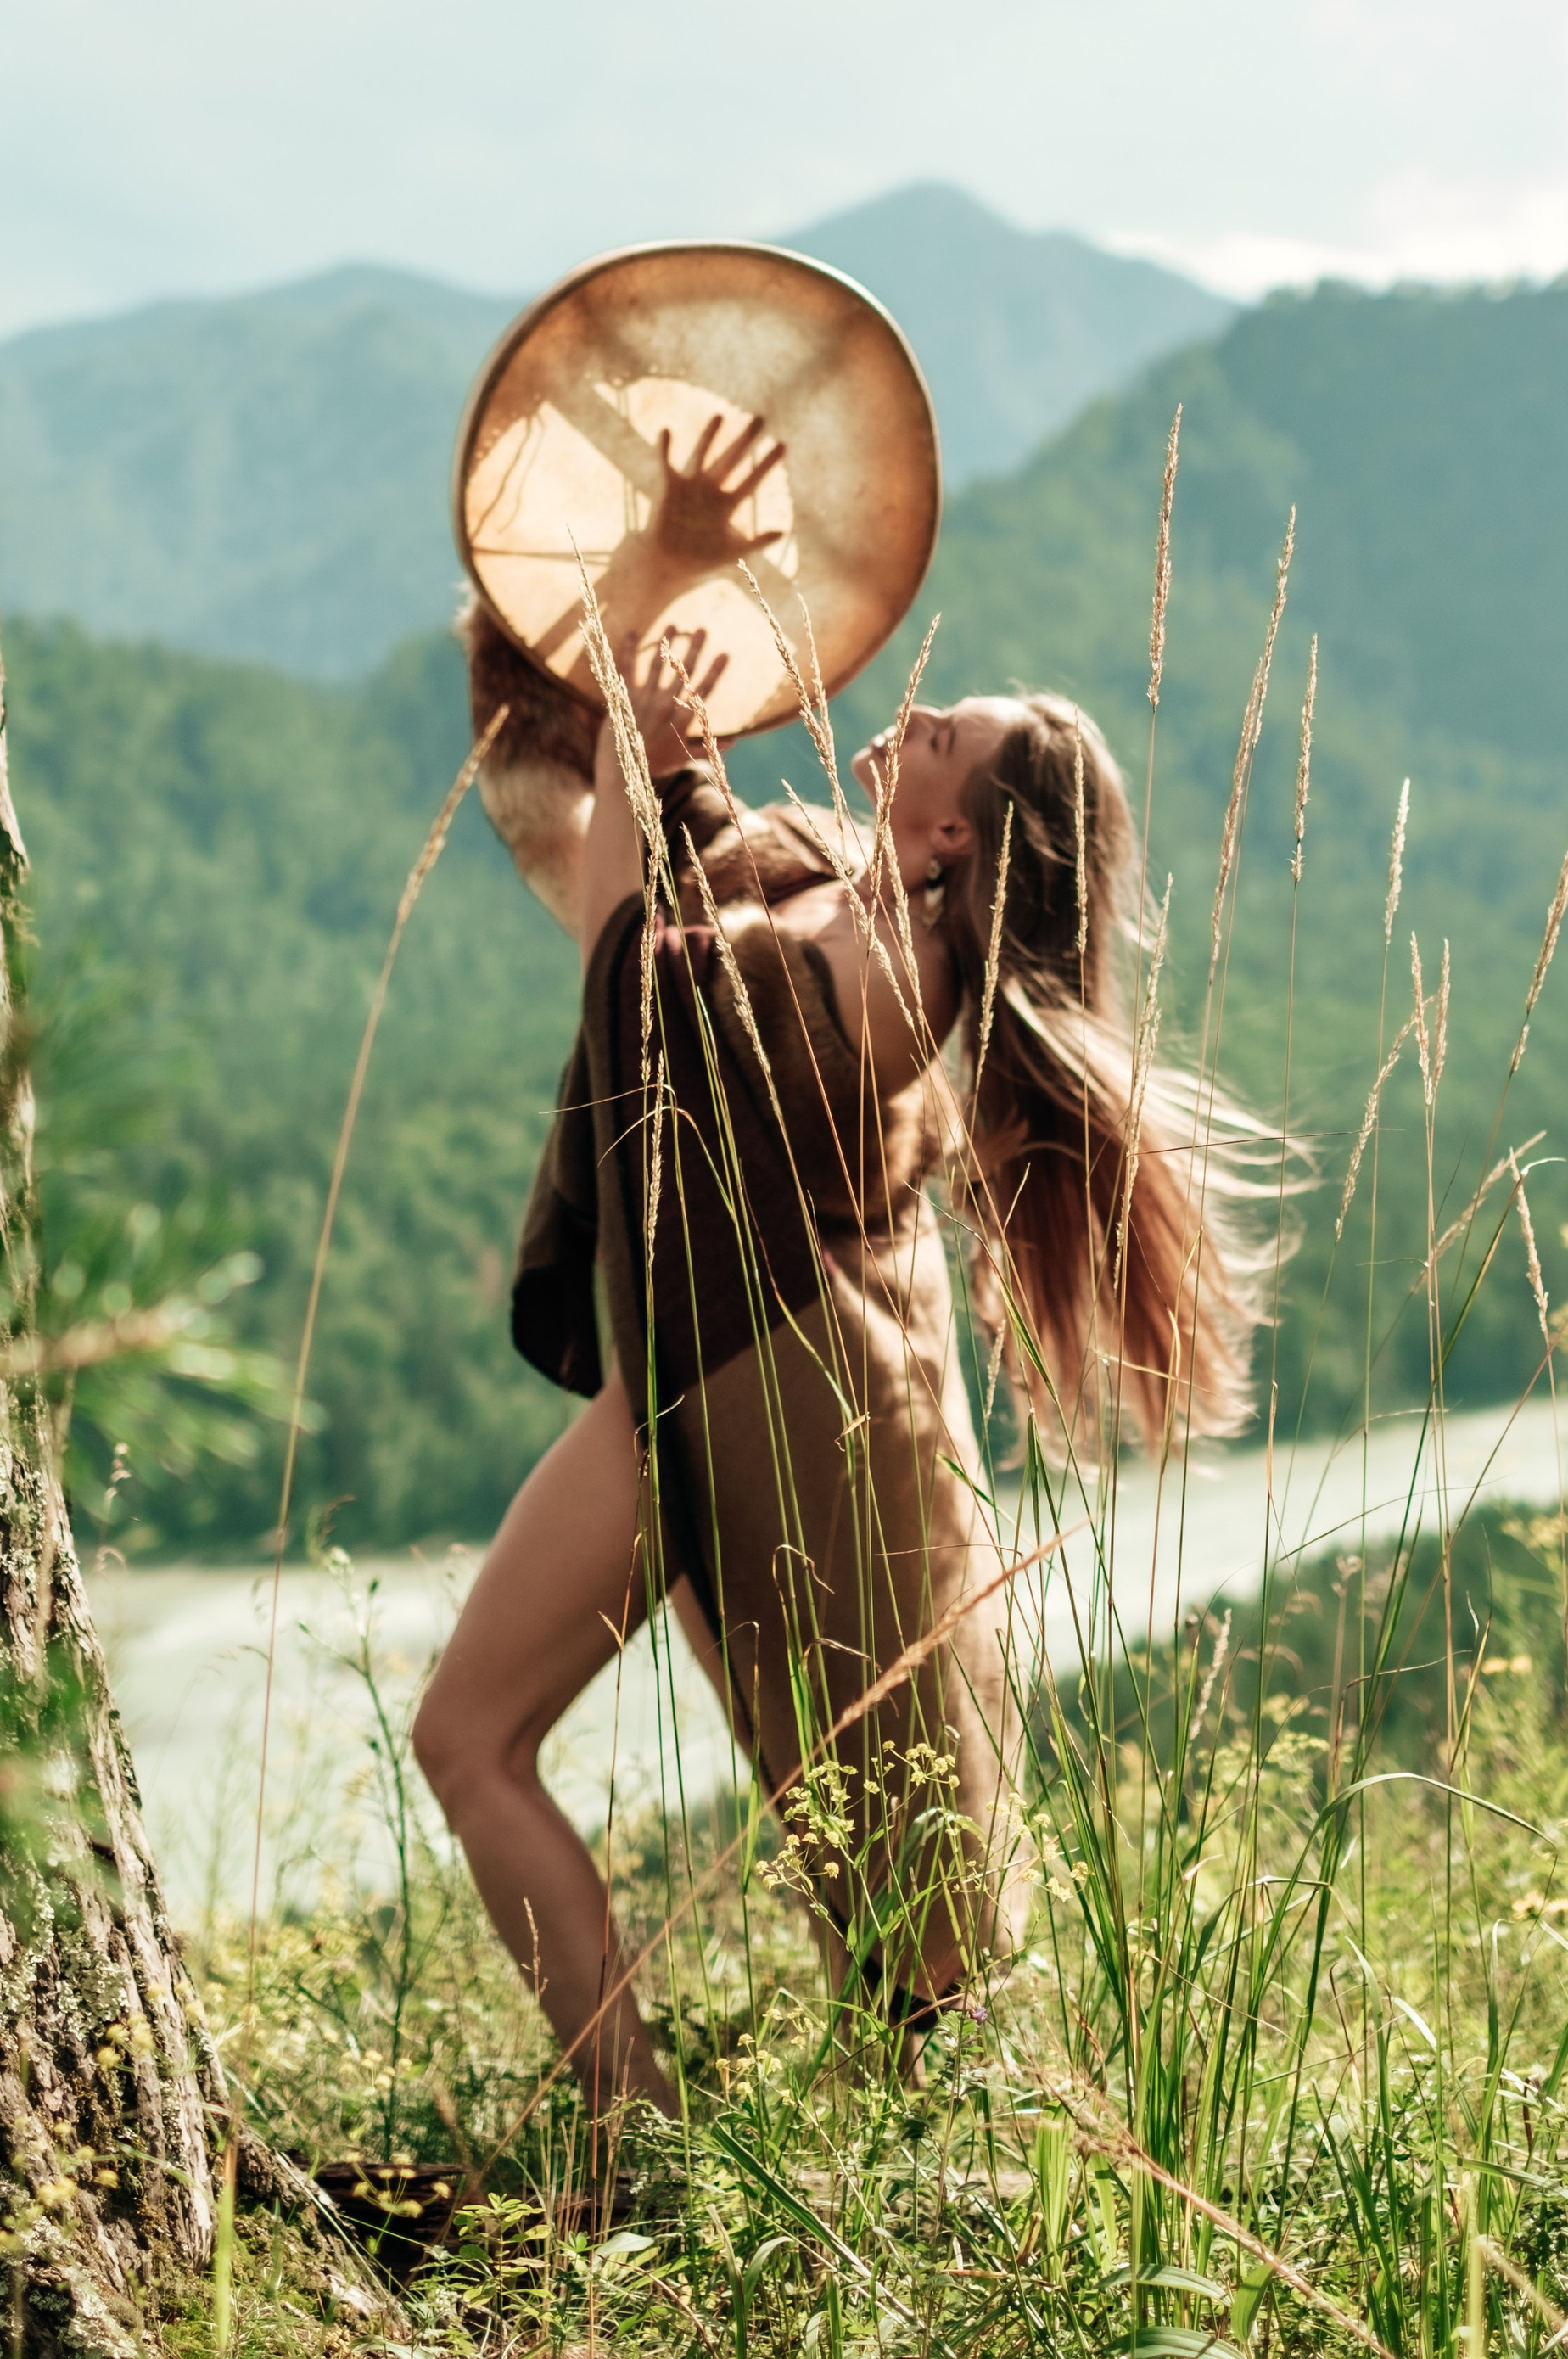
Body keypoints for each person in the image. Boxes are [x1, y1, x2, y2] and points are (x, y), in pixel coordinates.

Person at [413, 429, 1271, 2145]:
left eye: (941, 736)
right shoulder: (847, 894)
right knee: (474, 1743)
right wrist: (650, 659)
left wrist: (648, 699)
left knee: (480, 1746)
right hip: (703, 1384)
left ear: (955, 833)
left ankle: (627, 2150)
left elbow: (632, 984)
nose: (909, 713)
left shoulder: (874, 987)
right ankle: (630, 2137)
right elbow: (689, 869)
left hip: (737, 1398)